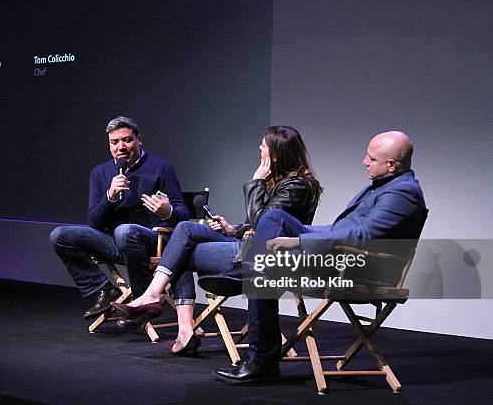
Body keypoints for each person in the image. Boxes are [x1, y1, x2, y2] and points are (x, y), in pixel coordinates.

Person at [199, 130, 427, 384]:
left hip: (355, 267)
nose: (364, 161)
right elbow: (340, 230)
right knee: (273, 219)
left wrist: (299, 240)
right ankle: (250, 272)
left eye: (371, 159)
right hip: (341, 256)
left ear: (392, 165)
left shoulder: (402, 193)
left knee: (262, 276)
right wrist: (303, 233)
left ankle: (262, 358)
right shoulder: (385, 185)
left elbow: (362, 236)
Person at [111, 126, 323, 353]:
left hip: (264, 257)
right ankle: (160, 305)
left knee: (181, 249)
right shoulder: (282, 181)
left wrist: (256, 183)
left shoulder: (296, 186)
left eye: (263, 146)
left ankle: (175, 321)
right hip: (249, 244)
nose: (259, 149)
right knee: (184, 230)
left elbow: (267, 224)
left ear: (276, 155)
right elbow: (257, 225)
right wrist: (231, 229)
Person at [50, 116, 189, 321]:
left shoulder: (161, 167)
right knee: (59, 235)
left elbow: (183, 213)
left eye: (127, 140)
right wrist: (110, 197)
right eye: (114, 142)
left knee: (125, 231)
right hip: (115, 242)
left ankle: (141, 301)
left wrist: (167, 211)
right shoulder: (100, 172)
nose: (121, 147)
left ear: (139, 140)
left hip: (152, 242)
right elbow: (95, 222)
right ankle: (103, 289)